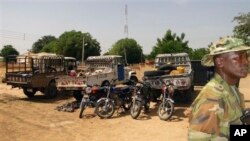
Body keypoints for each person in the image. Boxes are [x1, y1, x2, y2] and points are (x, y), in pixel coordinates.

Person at [187, 37, 250, 140]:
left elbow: (229, 130)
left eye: (246, 56)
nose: (246, 62)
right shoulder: (213, 98)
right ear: (220, 62)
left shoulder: (231, 88)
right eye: (238, 58)